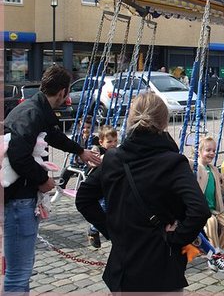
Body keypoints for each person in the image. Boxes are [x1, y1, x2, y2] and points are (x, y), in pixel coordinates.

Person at [76, 92, 210, 292]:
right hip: (162, 267)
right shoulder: (173, 162)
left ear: (131, 120)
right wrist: (176, 238)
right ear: (164, 123)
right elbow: (199, 209)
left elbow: (84, 198)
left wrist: (112, 230)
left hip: (124, 267)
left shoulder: (113, 159)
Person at [3, 65, 102, 293]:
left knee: (20, 270)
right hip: (19, 200)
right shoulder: (32, 113)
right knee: (18, 273)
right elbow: (19, 155)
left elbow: (54, 135)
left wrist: (80, 151)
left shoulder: (37, 109)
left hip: (20, 199)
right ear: (63, 93)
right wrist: (43, 180)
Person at [195, 136, 224, 272]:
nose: (212, 153)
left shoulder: (213, 170)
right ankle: (215, 258)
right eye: (208, 150)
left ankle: (216, 257)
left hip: (213, 209)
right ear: (199, 151)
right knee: (211, 222)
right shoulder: (195, 167)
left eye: (214, 150)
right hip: (200, 211)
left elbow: (221, 189)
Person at [87, 125, 118, 248]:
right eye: (109, 141)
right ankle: (94, 229)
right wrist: (100, 159)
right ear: (101, 142)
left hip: (111, 186)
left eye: (115, 141)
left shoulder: (116, 151)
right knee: (103, 207)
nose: (113, 144)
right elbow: (90, 162)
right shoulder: (98, 150)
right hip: (99, 186)